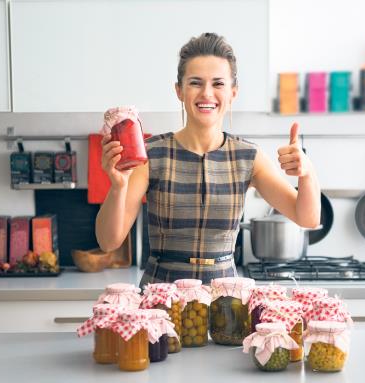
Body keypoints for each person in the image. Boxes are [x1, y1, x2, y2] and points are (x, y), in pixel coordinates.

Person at [96, 32, 320, 287]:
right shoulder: (150, 154)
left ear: (233, 92)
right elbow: (108, 242)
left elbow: (308, 218)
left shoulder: (249, 157)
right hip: (161, 302)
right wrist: (118, 186)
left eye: (218, 83)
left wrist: (307, 173)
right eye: (195, 83)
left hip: (225, 301)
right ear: (179, 90)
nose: (207, 93)